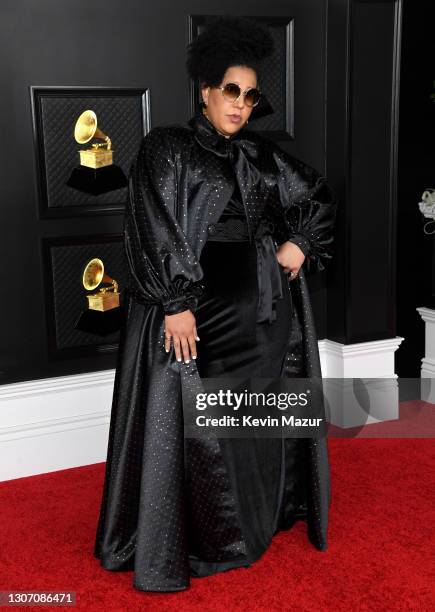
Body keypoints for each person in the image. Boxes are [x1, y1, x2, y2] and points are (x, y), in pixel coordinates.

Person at [93, 15, 338, 593]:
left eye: (251, 96)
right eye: (232, 91)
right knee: (202, 426)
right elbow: (153, 225)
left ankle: (256, 523)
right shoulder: (168, 148)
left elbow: (319, 195)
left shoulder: (259, 156)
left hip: (266, 320)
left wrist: (299, 242)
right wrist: (176, 302)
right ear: (205, 89)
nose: (242, 104)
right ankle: (210, 538)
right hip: (200, 319)